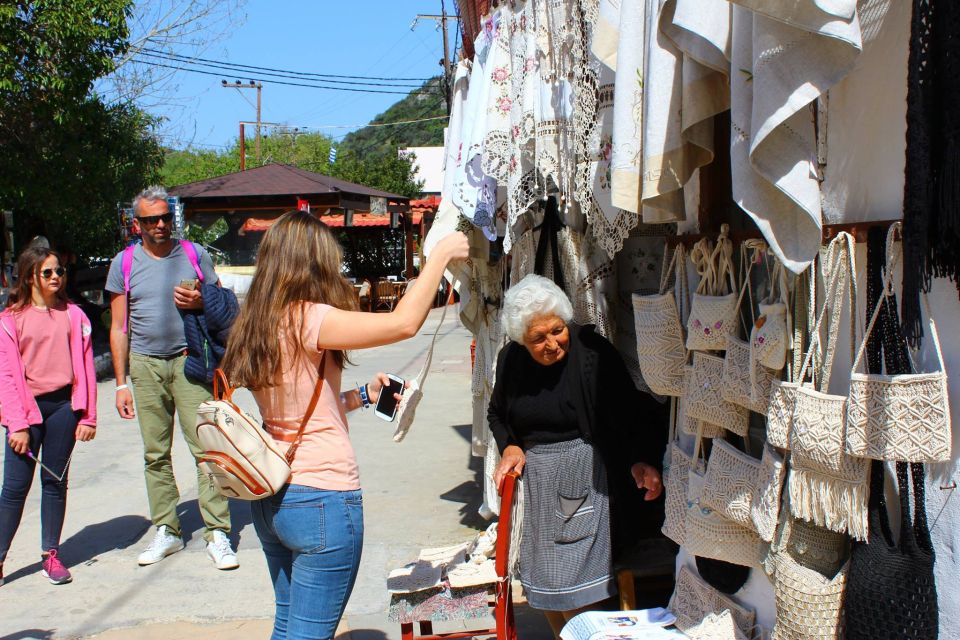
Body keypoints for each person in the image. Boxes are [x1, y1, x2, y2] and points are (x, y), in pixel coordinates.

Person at [220, 211, 469, 640]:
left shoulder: (255, 321)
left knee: (288, 624)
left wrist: (364, 397)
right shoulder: (309, 316)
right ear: (313, 262)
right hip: (322, 498)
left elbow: (298, 407)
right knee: (309, 634)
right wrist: (440, 255)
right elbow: (404, 323)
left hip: (271, 496)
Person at [488, 274, 668, 636]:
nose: (553, 343)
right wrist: (509, 443)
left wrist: (640, 460)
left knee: (582, 586)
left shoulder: (592, 353)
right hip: (537, 485)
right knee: (546, 586)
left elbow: (630, 413)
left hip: (586, 479)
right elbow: (497, 412)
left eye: (557, 330)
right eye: (538, 339)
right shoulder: (511, 360)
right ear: (522, 340)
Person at [105, 186, 237, 570]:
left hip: (190, 362)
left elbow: (220, 304)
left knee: (208, 450)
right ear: (137, 224)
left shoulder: (195, 255)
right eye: (151, 220)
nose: (161, 225)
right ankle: (168, 529)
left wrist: (200, 301)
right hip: (145, 366)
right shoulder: (124, 264)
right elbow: (118, 328)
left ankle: (217, 532)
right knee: (155, 454)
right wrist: (121, 383)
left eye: (166, 217)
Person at [0, 247, 97, 586]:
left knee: (55, 483)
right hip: (27, 412)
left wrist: (87, 417)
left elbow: (85, 369)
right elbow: (7, 378)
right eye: (48, 273)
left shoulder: (74, 315)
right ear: (30, 277)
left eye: (60, 272)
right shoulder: (10, 320)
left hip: (63, 410)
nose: (56, 277)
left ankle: (51, 555)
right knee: (14, 489)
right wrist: (18, 424)